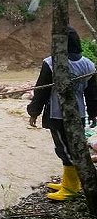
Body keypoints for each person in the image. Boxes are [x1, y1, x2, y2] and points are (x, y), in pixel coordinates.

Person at [27, 26, 97, 200]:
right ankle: (69, 182)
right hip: (80, 114)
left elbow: (40, 92)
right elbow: (92, 93)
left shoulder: (52, 63)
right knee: (74, 147)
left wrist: (33, 112)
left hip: (58, 115)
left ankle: (71, 188)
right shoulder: (88, 64)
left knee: (64, 149)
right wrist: (94, 113)